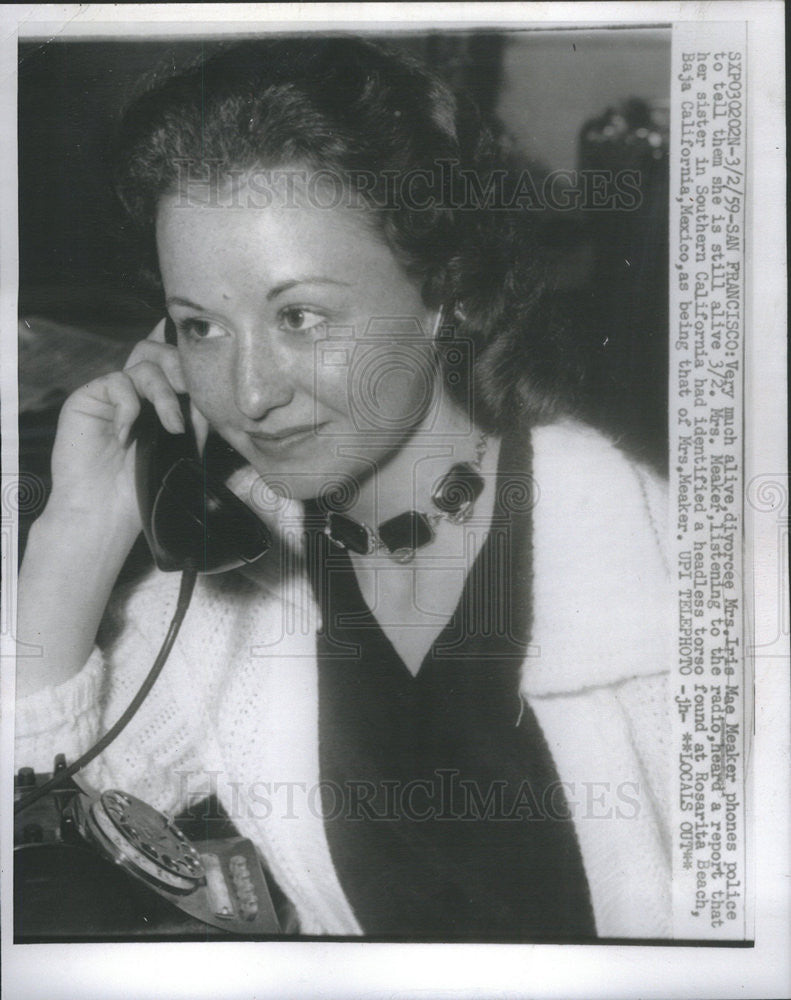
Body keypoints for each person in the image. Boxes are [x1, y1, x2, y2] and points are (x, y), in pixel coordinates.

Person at [15, 36, 671, 940]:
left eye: (301, 316)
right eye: (200, 327)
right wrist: (73, 535)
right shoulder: (236, 592)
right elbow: (39, 816)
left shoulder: (661, 563)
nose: (249, 393)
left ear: (449, 294)